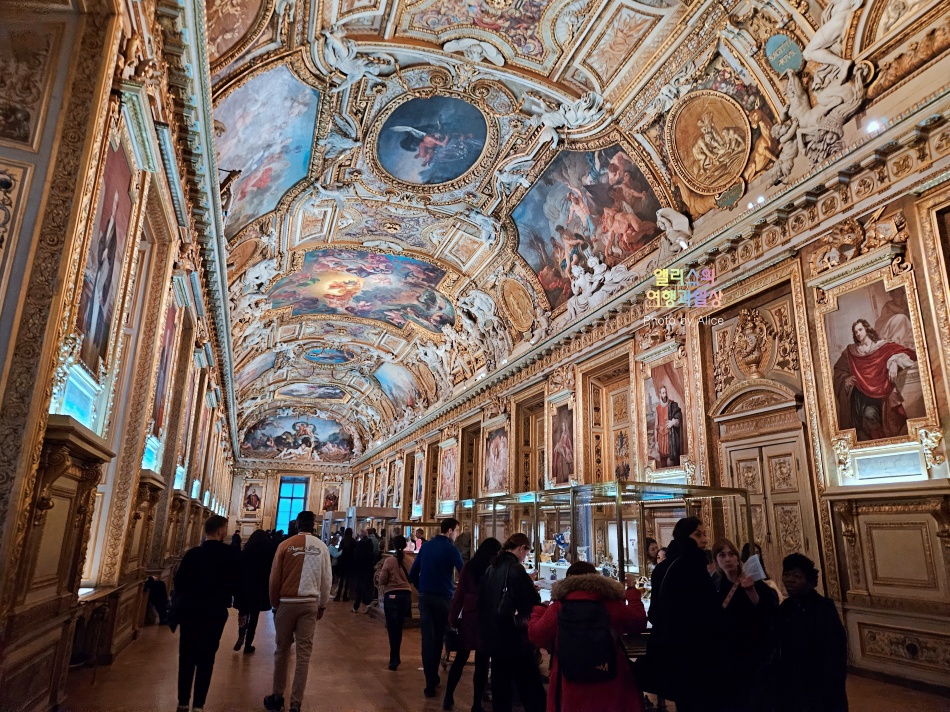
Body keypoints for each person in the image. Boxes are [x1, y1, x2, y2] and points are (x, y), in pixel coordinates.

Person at [529, 561, 647, 712]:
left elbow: (536, 635)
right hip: (609, 675)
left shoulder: (559, 606)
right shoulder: (609, 604)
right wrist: (631, 592)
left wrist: (539, 609)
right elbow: (638, 622)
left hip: (569, 678)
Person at [645, 517, 716, 712]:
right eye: (697, 534)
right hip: (694, 647)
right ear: (686, 536)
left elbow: (654, 612)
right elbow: (706, 608)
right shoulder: (693, 566)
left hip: (669, 645)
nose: (704, 539)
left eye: (704, 533)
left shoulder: (662, 568)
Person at [264, 511, 333, 712]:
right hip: (310, 603)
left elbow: (274, 578)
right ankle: (296, 702)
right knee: (304, 654)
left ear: (296, 525)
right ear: (314, 526)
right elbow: (326, 579)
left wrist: (275, 604)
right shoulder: (321, 547)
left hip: (287, 602)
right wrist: (322, 604)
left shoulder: (284, 545)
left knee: (282, 650)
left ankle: (277, 697)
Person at [173, 515, 239, 712]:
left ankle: (183, 702)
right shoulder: (229, 554)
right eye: (225, 528)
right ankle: (199, 705)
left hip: (190, 611)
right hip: (214, 613)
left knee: (186, 657)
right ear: (219, 531)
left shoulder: (193, 554)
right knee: (206, 658)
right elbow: (236, 584)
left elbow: (179, 584)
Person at [479, 533, 545, 712]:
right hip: (514, 636)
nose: (525, 557)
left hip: (495, 635)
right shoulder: (515, 569)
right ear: (521, 548)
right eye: (526, 552)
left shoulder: (492, 567)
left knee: (501, 684)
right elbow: (529, 601)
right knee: (529, 683)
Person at [711, 539, 779, 712]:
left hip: (753, 653)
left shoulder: (754, 582)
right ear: (716, 560)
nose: (727, 559)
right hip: (728, 654)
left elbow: (766, 613)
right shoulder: (716, 587)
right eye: (722, 555)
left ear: (737, 558)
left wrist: (751, 591)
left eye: (731, 554)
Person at [775, 553, 848, 712]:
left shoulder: (823, 608)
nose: (790, 580)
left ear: (809, 580)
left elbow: (834, 654)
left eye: (797, 575)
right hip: (792, 687)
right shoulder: (785, 609)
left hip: (818, 689)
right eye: (786, 574)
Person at [832, 318, 918, 441]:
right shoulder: (851, 352)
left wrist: (893, 361)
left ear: (867, 329)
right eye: (855, 332)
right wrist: (845, 379)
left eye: (860, 329)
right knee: (869, 416)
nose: (858, 333)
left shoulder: (881, 346)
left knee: (891, 424)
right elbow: (839, 370)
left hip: (883, 395)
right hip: (863, 398)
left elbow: (909, 353)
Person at [444, 537, 502, 712]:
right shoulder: (495, 568)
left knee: (460, 659)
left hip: (470, 619)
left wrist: (452, 619)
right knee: (482, 664)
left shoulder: (469, 567)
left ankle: (448, 696)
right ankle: (476, 703)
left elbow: (459, 595)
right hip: (488, 619)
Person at [409, 517, 464, 698]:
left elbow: (412, 573)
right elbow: (463, 573)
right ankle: (432, 677)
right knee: (439, 636)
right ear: (449, 531)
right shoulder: (451, 549)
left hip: (425, 598)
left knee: (427, 639)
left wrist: (422, 588)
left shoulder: (426, 546)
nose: (456, 534)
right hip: (443, 598)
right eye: (456, 530)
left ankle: (430, 681)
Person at [378, 534, 416, 670]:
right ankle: (395, 656)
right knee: (399, 627)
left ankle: (394, 657)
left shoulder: (389, 561)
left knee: (392, 628)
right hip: (405, 596)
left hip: (392, 596)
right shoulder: (411, 560)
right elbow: (413, 577)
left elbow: (382, 580)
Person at [234, 529, 274, 654]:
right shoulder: (268, 553)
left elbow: (238, 571)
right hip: (259, 590)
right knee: (254, 618)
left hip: (244, 588)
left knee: (243, 614)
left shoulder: (245, 552)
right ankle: (248, 645)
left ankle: (241, 633)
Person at [653, 386, 682, 468]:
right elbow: (656, 426)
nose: (664, 395)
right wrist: (656, 442)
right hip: (661, 438)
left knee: (670, 461)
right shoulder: (658, 408)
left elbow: (678, 418)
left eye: (665, 392)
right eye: (663, 393)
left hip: (669, 436)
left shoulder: (672, 405)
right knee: (663, 461)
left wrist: (673, 422)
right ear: (660, 394)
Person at [352, 527, 378, 614]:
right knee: (368, 586)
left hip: (361, 568)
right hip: (369, 568)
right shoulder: (371, 543)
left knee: (360, 587)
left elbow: (357, 557)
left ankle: (357, 605)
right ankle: (367, 603)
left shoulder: (361, 544)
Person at [334, 527, 355, 602]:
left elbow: (340, 550)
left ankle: (338, 595)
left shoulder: (343, 541)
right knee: (347, 580)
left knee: (341, 580)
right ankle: (345, 595)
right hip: (350, 562)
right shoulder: (353, 541)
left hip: (342, 562)